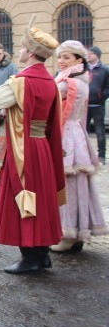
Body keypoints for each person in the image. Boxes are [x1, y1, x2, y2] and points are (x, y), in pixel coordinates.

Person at [0, 17, 64, 274]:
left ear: (29, 52)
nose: (18, 51)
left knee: (23, 196)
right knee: (41, 199)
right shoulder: (50, 81)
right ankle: (41, 255)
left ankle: (30, 258)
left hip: (22, 148)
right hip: (42, 148)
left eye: (21, 47)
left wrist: (5, 114)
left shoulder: (20, 81)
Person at [49, 41, 108, 253]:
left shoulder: (69, 83)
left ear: (79, 60)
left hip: (68, 136)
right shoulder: (78, 79)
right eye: (60, 56)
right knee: (75, 185)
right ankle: (76, 232)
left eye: (67, 57)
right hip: (76, 134)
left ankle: (69, 232)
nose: (62, 61)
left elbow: (47, 96)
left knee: (67, 186)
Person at [86, 46, 109, 165]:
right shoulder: (84, 68)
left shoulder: (105, 69)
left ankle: (101, 156)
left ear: (97, 55)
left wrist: (102, 96)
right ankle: (86, 156)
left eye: (91, 53)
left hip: (98, 106)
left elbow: (108, 87)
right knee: (84, 131)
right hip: (85, 105)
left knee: (100, 132)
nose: (88, 55)